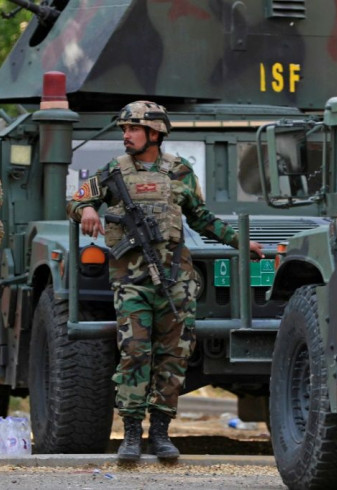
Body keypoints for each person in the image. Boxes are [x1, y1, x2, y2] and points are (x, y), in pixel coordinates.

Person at [67, 100, 264, 461]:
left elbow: (202, 217)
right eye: (124, 129)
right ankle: (130, 434)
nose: (125, 135)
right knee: (134, 352)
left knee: (174, 355)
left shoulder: (179, 171)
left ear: (154, 133)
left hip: (175, 276)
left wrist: (241, 241)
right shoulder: (114, 170)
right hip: (131, 279)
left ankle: (160, 433)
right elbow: (77, 200)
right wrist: (88, 208)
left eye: (133, 129)